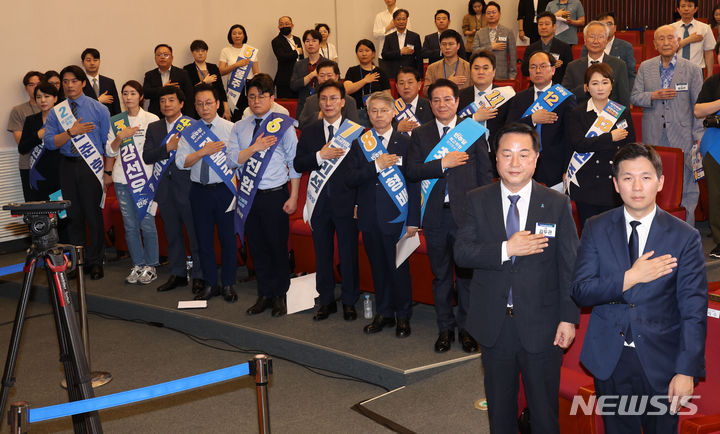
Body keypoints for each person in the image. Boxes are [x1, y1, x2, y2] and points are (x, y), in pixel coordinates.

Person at [571, 142, 707, 433]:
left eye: (645, 177)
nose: (637, 186)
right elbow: (581, 290)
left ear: (660, 182)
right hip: (611, 358)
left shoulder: (685, 237)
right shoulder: (596, 227)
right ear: (616, 184)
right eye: (627, 178)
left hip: (663, 360)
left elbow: (693, 311)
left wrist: (686, 370)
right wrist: (629, 278)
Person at [454, 122, 579, 434]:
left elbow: (569, 267)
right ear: (495, 159)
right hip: (494, 325)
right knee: (500, 412)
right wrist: (506, 248)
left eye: (523, 155)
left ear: (536, 159)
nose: (514, 163)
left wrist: (569, 318)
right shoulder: (477, 199)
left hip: (543, 324)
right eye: (506, 155)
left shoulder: (556, 203)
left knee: (544, 413)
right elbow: (462, 253)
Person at [406, 79, 493, 353]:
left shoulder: (473, 132)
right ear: (430, 104)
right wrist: (442, 163)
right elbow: (412, 172)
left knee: (467, 277)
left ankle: (467, 329)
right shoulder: (421, 135)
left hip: (467, 218)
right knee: (441, 276)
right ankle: (445, 328)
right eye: (436, 100)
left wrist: (485, 215)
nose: (442, 104)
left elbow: (485, 175)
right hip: (434, 217)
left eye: (448, 99)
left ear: (457, 102)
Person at [346, 91, 420, 338]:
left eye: (383, 110)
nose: (378, 115)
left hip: (398, 217)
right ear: (368, 114)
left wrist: (413, 220)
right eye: (373, 111)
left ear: (393, 113)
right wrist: (376, 166)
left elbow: (413, 183)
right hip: (369, 217)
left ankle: (403, 316)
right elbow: (352, 179)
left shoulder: (406, 142)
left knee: (399, 268)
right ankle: (384, 313)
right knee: (378, 267)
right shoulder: (360, 143)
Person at [227, 73, 299, 317]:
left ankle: (280, 295)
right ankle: (264, 293)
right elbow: (232, 160)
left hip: (275, 194)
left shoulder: (283, 124)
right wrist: (254, 148)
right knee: (256, 246)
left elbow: (294, 162)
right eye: (252, 96)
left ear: (272, 98)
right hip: (249, 195)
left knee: (276, 246)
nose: (256, 101)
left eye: (262, 96)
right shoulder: (240, 126)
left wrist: (294, 196)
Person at [293, 80, 360, 322]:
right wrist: (320, 156)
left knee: (348, 254)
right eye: (324, 99)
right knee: (322, 254)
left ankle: (350, 301)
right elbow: (298, 164)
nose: (328, 103)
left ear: (343, 102)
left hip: (347, 203)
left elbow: (362, 171)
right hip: (319, 203)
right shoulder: (310, 131)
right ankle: (327, 301)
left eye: (333, 98)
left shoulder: (356, 131)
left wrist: (358, 204)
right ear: (318, 103)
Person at [631, 25, 704, 226]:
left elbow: (697, 106)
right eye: (661, 39)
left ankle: (686, 231)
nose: (665, 43)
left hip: (683, 136)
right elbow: (635, 97)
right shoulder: (645, 67)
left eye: (670, 38)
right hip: (653, 135)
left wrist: (698, 136)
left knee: (687, 186)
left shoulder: (692, 69)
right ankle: (655, 229)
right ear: (654, 44)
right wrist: (653, 96)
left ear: (678, 41)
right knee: (654, 182)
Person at [43, 65, 110, 280]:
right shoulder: (57, 111)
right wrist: (72, 132)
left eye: (74, 81)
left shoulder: (98, 108)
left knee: (93, 214)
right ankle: (78, 261)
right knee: (73, 216)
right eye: (65, 81)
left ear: (82, 83)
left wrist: (108, 172)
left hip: (90, 166)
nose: (69, 85)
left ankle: (96, 261)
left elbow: (108, 143)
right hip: (67, 165)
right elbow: (50, 143)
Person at [175, 83, 237, 302]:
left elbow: (237, 161)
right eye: (200, 104)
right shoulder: (190, 132)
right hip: (199, 191)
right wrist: (203, 151)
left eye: (209, 103)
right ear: (195, 106)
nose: (204, 107)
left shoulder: (231, 129)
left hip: (225, 191)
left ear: (218, 103)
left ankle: (228, 283)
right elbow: (181, 162)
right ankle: (211, 283)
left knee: (228, 239)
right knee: (204, 240)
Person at [142, 86, 204, 294]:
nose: (166, 104)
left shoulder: (193, 125)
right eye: (162, 101)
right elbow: (148, 156)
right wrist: (168, 148)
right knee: (172, 233)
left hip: (188, 187)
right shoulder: (154, 127)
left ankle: (199, 275)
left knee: (194, 234)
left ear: (181, 103)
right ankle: (177, 273)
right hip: (164, 189)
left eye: (171, 100)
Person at [567, 63, 635, 228]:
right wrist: (610, 138)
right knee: (589, 232)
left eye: (605, 82)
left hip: (613, 183)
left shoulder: (621, 112)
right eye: (594, 83)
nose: (600, 88)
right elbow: (579, 144)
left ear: (612, 85)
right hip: (587, 184)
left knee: (614, 232)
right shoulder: (577, 113)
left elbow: (629, 147)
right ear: (586, 87)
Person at [105, 80, 160, 285]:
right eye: (125, 93)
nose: (128, 97)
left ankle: (151, 265)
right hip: (121, 178)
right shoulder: (117, 120)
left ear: (141, 96)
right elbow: (110, 151)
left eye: (132, 93)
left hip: (145, 179)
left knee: (147, 222)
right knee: (129, 225)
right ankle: (137, 264)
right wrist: (120, 137)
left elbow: (157, 149)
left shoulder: (152, 119)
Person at [507, 51, 577, 188]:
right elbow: (508, 129)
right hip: (523, 165)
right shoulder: (519, 98)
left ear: (553, 70)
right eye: (533, 67)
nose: (538, 70)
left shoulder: (565, 98)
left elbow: (570, 137)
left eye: (543, 66)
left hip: (555, 167)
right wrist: (532, 119)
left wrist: (566, 169)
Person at [459, 50, 513, 169]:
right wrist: (474, 118)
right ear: (470, 71)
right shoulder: (459, 96)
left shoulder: (506, 96)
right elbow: (453, 125)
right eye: (476, 68)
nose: (481, 72)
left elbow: (511, 128)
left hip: (497, 156)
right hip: (466, 157)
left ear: (493, 72)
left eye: (485, 68)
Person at [562, 21, 631, 107]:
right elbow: (564, 96)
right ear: (585, 40)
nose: (595, 41)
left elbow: (623, 98)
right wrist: (583, 88)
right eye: (591, 37)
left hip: (609, 117)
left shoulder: (619, 65)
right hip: (580, 117)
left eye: (600, 37)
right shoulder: (573, 66)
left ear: (606, 40)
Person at [694, 40, 720, 257]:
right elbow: (698, 111)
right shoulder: (712, 83)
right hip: (715, 144)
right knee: (717, 195)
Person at [18, 81, 61, 202]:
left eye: (47, 96)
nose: (43, 100)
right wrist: (38, 135)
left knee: (63, 215)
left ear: (55, 98)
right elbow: (22, 148)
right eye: (39, 97)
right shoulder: (31, 120)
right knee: (42, 214)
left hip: (60, 173)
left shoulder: (62, 119)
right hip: (39, 174)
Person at [7, 71, 42, 201]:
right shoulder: (19, 111)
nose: (35, 87)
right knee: (32, 204)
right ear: (26, 88)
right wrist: (40, 135)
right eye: (31, 84)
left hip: (52, 164)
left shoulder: (54, 109)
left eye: (38, 84)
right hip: (28, 164)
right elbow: (21, 142)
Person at [297, 60, 360, 129]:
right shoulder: (311, 100)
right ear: (317, 77)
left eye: (329, 75)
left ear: (337, 77)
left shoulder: (348, 101)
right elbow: (301, 124)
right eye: (322, 76)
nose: (325, 79)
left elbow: (355, 128)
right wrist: (318, 116)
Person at [581, 12, 636, 87]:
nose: (605, 27)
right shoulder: (588, 46)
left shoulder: (625, 46)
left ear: (615, 28)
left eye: (609, 24)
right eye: (602, 24)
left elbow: (630, 75)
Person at [344, 39, 391, 126]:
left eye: (367, 50)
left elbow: (387, 96)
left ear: (373, 54)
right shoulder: (352, 71)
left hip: (376, 114)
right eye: (360, 51)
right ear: (357, 54)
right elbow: (346, 90)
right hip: (355, 113)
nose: (364, 54)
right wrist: (365, 80)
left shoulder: (380, 72)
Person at [219, 24, 260, 120]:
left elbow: (256, 72)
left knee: (250, 115)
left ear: (244, 35)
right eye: (234, 33)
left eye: (240, 33)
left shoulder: (250, 50)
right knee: (235, 116)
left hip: (250, 87)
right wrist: (236, 65)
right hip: (234, 87)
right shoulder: (226, 50)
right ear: (230, 36)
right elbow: (220, 71)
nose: (237, 36)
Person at [143, 44, 195, 118]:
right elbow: (145, 93)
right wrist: (163, 88)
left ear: (172, 58)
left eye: (166, 55)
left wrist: (189, 117)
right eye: (159, 55)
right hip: (156, 115)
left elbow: (189, 96)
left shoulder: (182, 73)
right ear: (155, 58)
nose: (162, 57)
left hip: (178, 115)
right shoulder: (150, 75)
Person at [520, 11, 573, 83]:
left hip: (557, 87)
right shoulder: (531, 48)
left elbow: (570, 72)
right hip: (536, 86)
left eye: (547, 24)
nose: (543, 27)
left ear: (554, 27)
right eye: (540, 24)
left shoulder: (564, 47)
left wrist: (558, 66)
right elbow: (524, 71)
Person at [183, 40, 229, 120]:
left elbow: (221, 89)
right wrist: (204, 82)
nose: (200, 53)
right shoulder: (187, 69)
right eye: (197, 51)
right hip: (196, 109)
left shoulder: (213, 67)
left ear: (206, 52)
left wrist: (226, 109)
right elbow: (189, 91)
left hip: (215, 107)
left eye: (203, 51)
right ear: (192, 53)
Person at [472, 2, 517, 80]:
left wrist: (512, 76)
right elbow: (474, 51)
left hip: (502, 75)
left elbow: (513, 57)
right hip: (483, 76)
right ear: (485, 15)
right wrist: (491, 47)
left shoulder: (508, 32)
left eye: (494, 12)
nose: (491, 15)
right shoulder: (479, 33)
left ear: (499, 14)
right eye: (488, 13)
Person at [290, 29, 326, 125]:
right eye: (307, 41)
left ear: (319, 43)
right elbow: (293, 86)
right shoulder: (299, 64)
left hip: (324, 107)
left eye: (314, 41)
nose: (310, 44)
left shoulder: (328, 64)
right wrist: (311, 75)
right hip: (303, 108)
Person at [673, 0, 716, 79]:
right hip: (675, 69)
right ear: (678, 9)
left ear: (695, 9)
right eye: (683, 6)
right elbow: (668, 51)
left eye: (689, 6)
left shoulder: (705, 28)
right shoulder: (670, 28)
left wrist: (709, 75)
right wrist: (689, 40)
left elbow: (709, 53)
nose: (686, 9)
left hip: (697, 70)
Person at [423, 30, 471, 96]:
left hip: (463, 104)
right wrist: (448, 83)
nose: (447, 47)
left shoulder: (468, 67)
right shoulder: (432, 67)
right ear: (440, 46)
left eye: (451, 44)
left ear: (458, 46)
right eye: (444, 44)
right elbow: (426, 91)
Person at [381, 9, 423, 81]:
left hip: (410, 74)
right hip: (393, 74)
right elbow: (384, 55)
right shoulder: (389, 37)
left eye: (403, 19)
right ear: (394, 21)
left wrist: (420, 76)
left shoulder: (415, 36)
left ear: (407, 20)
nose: (401, 21)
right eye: (398, 19)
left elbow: (419, 57)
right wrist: (400, 52)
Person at [393, 66, 434, 135]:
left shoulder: (430, 106)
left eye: (410, 82)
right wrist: (396, 127)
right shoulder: (390, 107)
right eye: (401, 83)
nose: (406, 87)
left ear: (419, 85)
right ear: (396, 87)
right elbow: (381, 130)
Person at [80, 48, 121, 116]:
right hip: (88, 123)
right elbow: (80, 107)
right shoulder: (79, 83)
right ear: (82, 63)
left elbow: (116, 108)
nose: (92, 63)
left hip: (108, 122)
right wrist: (98, 100)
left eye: (95, 60)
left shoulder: (109, 82)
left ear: (99, 62)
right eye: (88, 60)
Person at [271, 16, 303, 98]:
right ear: (278, 27)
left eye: (287, 24)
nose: (284, 26)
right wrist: (296, 52)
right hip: (284, 79)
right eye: (281, 24)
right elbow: (282, 57)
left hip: (299, 78)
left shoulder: (297, 39)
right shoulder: (276, 41)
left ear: (292, 25)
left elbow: (301, 57)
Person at [373, 0, 411, 65]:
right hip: (385, 55)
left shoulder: (403, 14)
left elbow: (409, 34)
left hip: (403, 55)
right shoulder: (380, 16)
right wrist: (389, 27)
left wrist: (409, 50)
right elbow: (375, 34)